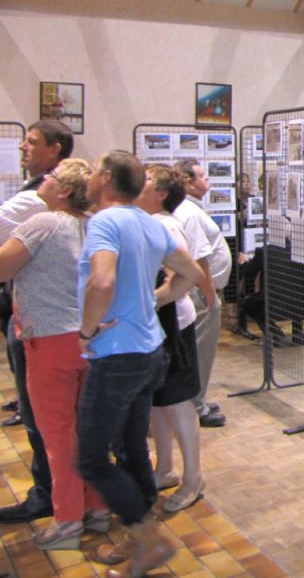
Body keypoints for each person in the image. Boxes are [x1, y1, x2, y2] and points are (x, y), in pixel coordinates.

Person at [76, 150, 204, 576]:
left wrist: (88, 330)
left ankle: (146, 537)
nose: (90, 176)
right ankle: (141, 539)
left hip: (117, 356)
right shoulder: (149, 224)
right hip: (148, 350)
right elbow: (188, 274)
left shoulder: (106, 222)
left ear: (107, 178)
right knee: (130, 448)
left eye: (94, 170)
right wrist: (152, 301)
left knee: (92, 459)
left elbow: (103, 280)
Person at [0, 158, 107, 550]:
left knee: (58, 436)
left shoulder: (43, 223)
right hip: (87, 339)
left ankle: (66, 520)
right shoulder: (94, 224)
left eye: (52, 179)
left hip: (49, 341)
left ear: (63, 190)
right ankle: (96, 507)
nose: (44, 180)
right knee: (84, 429)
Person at [0, 119, 73, 525]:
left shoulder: (43, 199)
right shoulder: (39, 197)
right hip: (38, 319)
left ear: (55, 151)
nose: (23, 149)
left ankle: (49, 493)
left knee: (42, 415)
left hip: (41, 324)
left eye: (32, 143)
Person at [136, 165, 216, 513]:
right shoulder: (150, 222)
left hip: (171, 324)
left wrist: (150, 300)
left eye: (148, 181)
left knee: (178, 400)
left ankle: (193, 477)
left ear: (162, 194)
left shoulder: (165, 224)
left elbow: (185, 274)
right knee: (158, 399)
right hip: (158, 324)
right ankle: (165, 467)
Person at [173, 158, 232, 428]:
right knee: (200, 350)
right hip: (200, 293)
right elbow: (200, 259)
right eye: (201, 175)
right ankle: (197, 406)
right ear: (187, 181)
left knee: (195, 349)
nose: (206, 180)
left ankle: (196, 400)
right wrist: (210, 295)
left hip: (196, 291)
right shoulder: (190, 212)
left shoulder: (186, 209)